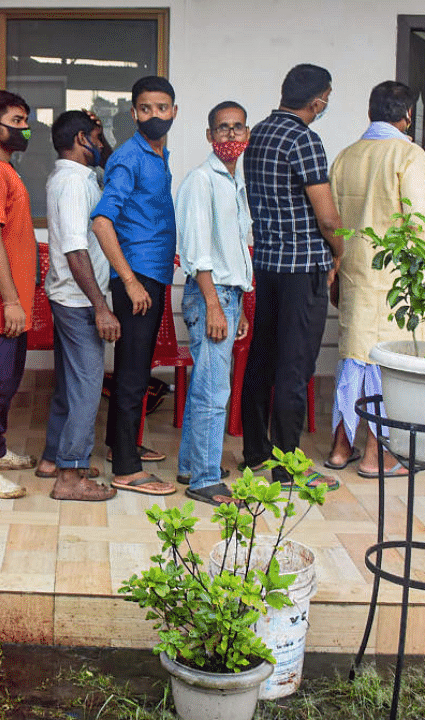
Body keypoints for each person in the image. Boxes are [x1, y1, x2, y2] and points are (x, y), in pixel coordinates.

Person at [327, 81, 425, 478]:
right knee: (388, 365)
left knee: (353, 359)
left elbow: (332, 221)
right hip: (395, 279)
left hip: (354, 274)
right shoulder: (407, 153)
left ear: (369, 112)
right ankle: (376, 456)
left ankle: (340, 448)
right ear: (408, 116)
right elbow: (417, 218)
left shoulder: (346, 156)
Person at [240, 63, 343, 489]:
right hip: (303, 269)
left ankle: (256, 452)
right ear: (317, 99)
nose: (325, 106)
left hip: (266, 264)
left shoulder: (258, 133)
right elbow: (328, 217)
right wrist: (341, 254)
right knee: (295, 366)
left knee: (261, 359)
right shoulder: (305, 139)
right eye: (327, 98)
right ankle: (289, 467)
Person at [90, 75, 180, 497]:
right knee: (132, 371)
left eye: (162, 108)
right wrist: (129, 280)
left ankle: (119, 447)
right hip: (138, 276)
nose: (155, 115)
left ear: (174, 112)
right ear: (134, 113)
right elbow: (102, 220)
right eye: (146, 108)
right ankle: (126, 468)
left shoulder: (157, 154)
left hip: (152, 272)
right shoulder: (128, 157)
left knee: (137, 367)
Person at [31, 110, 119, 502]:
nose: (102, 145)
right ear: (82, 139)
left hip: (72, 296)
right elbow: (74, 249)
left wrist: (100, 134)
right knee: (86, 387)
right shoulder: (71, 182)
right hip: (79, 299)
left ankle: (53, 457)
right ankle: (70, 476)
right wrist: (100, 306)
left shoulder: (79, 177)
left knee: (71, 383)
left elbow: (110, 160)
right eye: (97, 138)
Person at [174, 100, 254, 505]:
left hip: (227, 295)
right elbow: (197, 250)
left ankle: (192, 463)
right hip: (212, 294)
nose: (230, 136)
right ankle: (205, 479)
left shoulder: (233, 181)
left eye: (237, 128)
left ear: (247, 134)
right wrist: (215, 305)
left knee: (206, 384)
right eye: (222, 129)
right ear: (209, 136)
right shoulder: (201, 180)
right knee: (212, 391)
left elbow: (236, 246)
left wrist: (238, 300)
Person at [0, 90, 37, 499]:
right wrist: (11, 300)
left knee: (7, 385)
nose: (25, 128)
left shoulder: (6, 169)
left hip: (13, 306)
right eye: (16, 120)